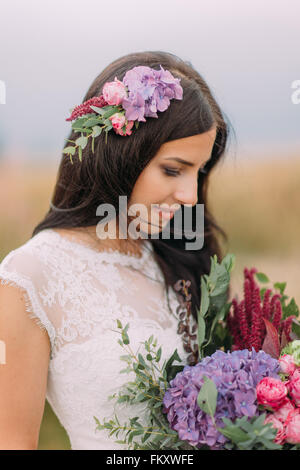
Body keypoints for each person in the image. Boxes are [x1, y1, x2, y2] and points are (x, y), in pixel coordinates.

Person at [0, 50, 231, 450]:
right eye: (173, 170)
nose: (190, 196)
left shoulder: (177, 258)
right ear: (122, 153)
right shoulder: (30, 276)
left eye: (200, 171)